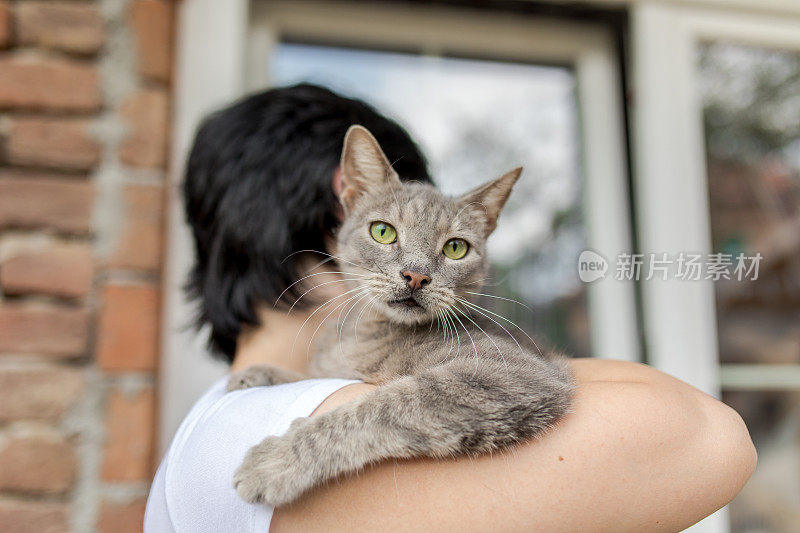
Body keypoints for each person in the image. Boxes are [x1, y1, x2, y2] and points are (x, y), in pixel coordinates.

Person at [145, 84, 756, 532]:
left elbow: (525, 386)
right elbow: (707, 438)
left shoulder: (237, 407)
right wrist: (329, 436)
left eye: (456, 246)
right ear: (343, 206)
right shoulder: (249, 434)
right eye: (387, 232)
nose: (416, 270)